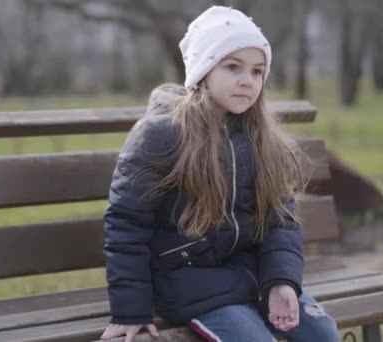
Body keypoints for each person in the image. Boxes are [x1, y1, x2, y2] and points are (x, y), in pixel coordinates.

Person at [100, 5, 340, 342]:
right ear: (203, 70)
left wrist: (281, 281)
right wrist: (130, 310)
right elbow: (126, 222)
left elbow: (281, 221)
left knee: (323, 334)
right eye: (233, 66)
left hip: (253, 276)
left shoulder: (262, 139)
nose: (248, 80)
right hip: (188, 283)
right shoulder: (163, 134)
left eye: (257, 71)